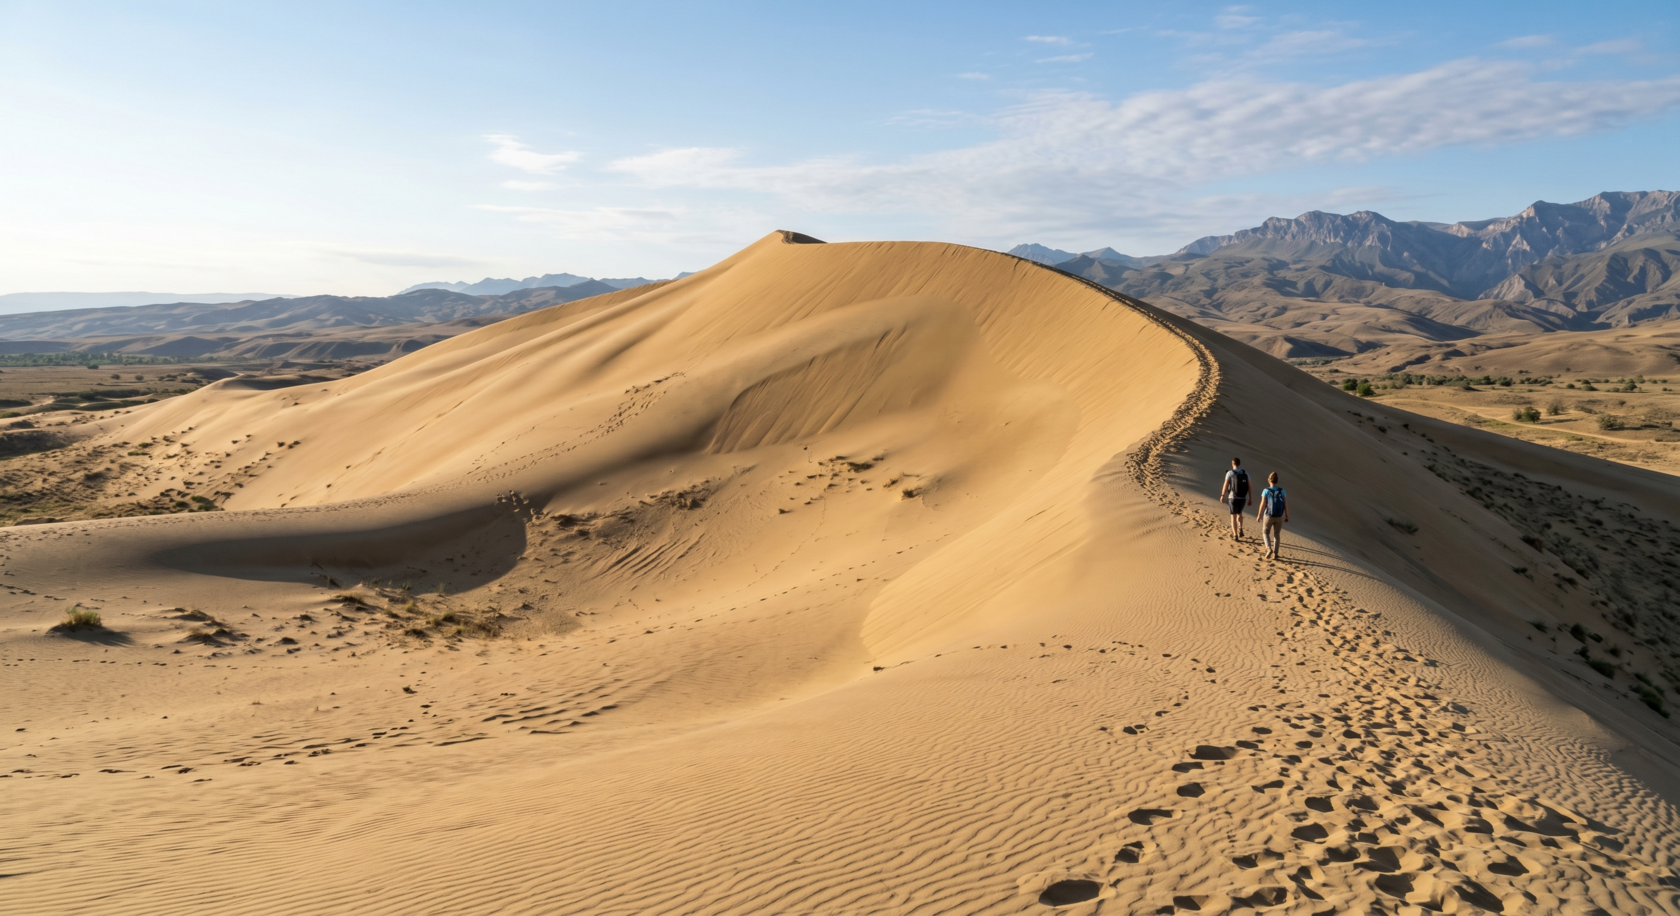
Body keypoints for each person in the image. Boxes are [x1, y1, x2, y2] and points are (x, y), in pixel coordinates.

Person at [1255, 472, 1289, 560]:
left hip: (1268, 515)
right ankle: (1275, 554)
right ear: (1277, 481)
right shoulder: (1282, 491)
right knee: (1276, 534)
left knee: (1265, 532)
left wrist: (1259, 515)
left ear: (1269, 480)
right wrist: (1287, 515)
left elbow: (1262, 504)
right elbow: (1285, 504)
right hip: (1279, 516)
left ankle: (1268, 549)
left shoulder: (1266, 490)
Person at [1219, 458, 1251, 539]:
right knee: (1240, 513)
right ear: (1239, 464)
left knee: (1233, 516)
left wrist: (1222, 495)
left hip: (1233, 497)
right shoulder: (1245, 473)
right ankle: (1240, 528)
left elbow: (1225, 485)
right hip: (1243, 497)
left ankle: (1235, 535)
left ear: (1232, 463)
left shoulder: (1230, 473)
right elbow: (1249, 486)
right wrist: (1250, 497)